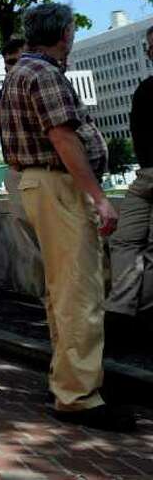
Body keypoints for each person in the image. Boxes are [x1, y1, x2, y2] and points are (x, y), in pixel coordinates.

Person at [0, 3, 133, 432]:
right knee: (79, 291)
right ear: (64, 34)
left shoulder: (21, 71)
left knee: (62, 290)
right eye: (72, 30)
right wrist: (99, 197)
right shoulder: (44, 73)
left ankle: (68, 382)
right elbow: (62, 136)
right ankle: (78, 396)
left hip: (38, 185)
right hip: (59, 186)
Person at [105, 24, 153, 340]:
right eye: (149, 46)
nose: (149, 51)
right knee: (124, 241)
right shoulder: (146, 88)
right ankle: (122, 311)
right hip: (145, 176)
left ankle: (130, 317)